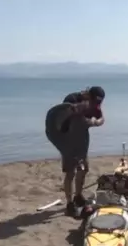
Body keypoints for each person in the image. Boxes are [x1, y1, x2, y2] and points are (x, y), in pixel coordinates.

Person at [46, 86, 106, 216]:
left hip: (82, 138)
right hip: (66, 138)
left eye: (98, 103)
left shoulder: (94, 105)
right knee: (70, 172)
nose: (94, 105)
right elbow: (59, 121)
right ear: (87, 95)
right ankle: (69, 204)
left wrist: (95, 122)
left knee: (84, 169)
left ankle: (78, 196)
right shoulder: (72, 99)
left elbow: (101, 119)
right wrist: (73, 111)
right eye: (93, 101)